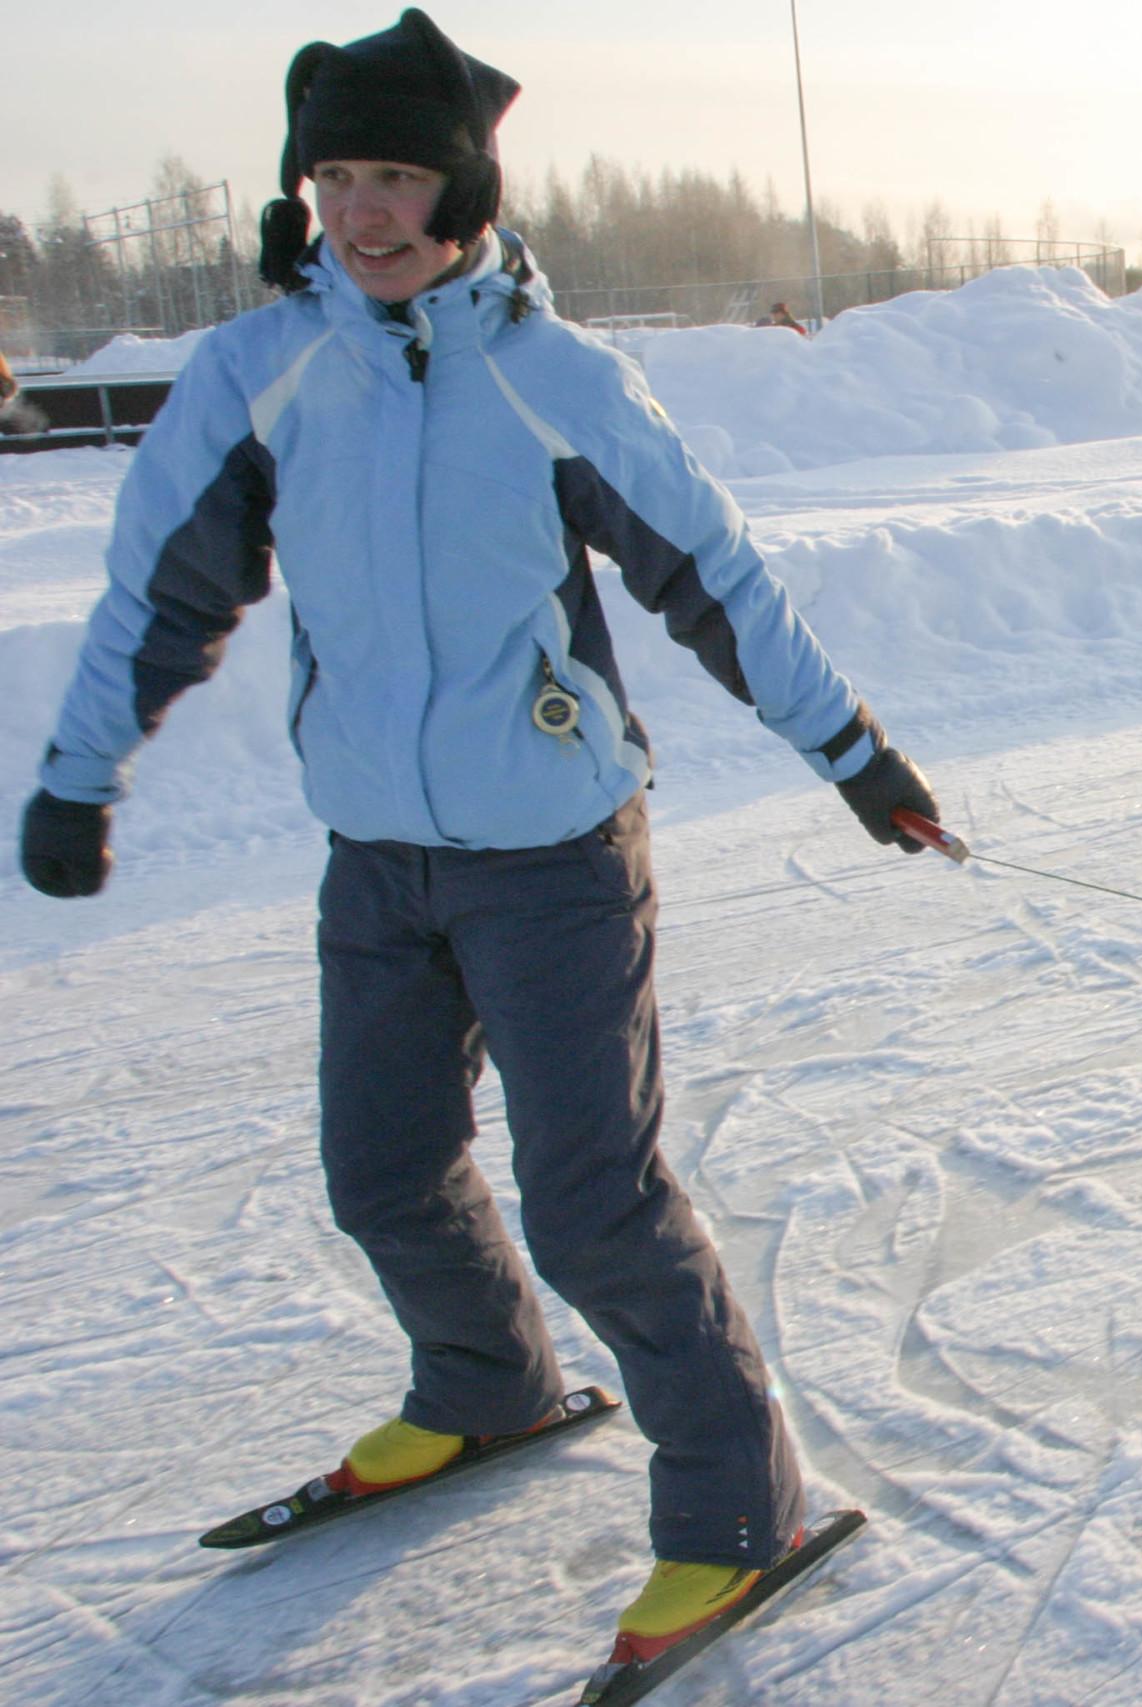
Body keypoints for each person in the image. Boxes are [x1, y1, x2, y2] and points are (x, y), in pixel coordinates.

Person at [14, 8, 937, 1673]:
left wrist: (854, 754)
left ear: (465, 188)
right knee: (380, 1166)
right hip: (375, 855)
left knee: (592, 1200)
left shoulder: (550, 377)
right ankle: (485, 1379)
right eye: (336, 177)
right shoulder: (261, 372)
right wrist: (81, 774)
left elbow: (714, 579)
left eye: (398, 176)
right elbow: (164, 589)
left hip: (557, 858)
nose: (365, 211)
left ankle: (746, 1502)